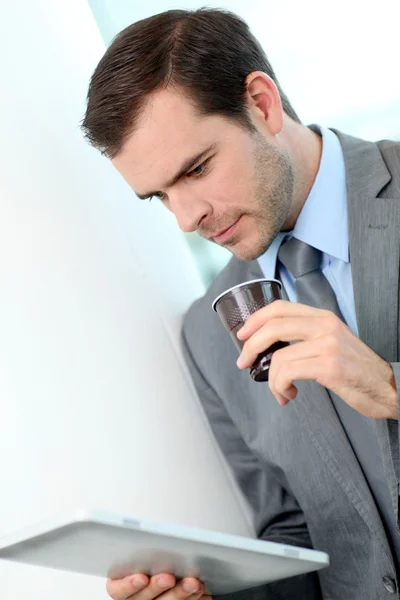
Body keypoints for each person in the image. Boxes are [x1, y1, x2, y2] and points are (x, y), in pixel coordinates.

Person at [81, 7, 400, 599]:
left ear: (261, 102)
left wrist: (390, 387)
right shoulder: (208, 336)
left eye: (197, 168)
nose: (186, 218)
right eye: (159, 197)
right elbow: (303, 543)